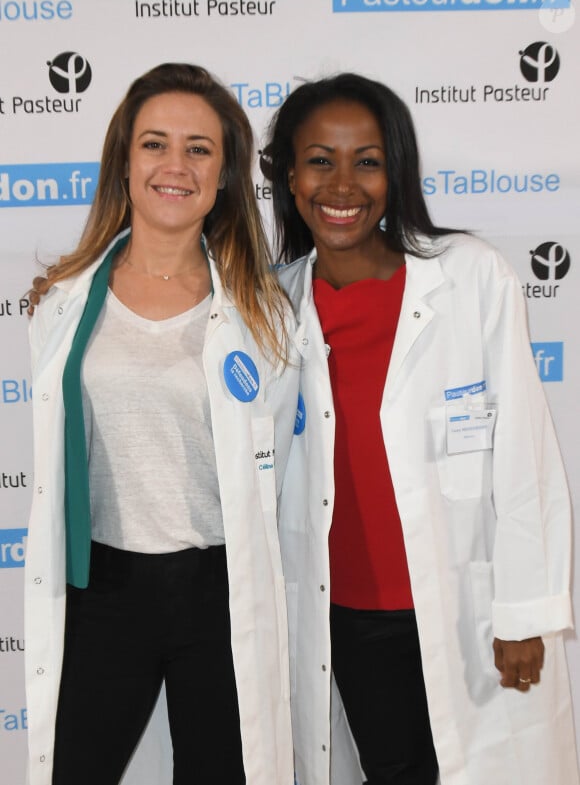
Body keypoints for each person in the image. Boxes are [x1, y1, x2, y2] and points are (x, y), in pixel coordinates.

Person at [265, 73, 579, 785]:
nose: (342, 184)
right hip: (343, 610)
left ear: (394, 171)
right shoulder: (273, 302)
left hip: (466, 600)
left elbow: (523, 453)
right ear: (289, 175)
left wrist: (524, 609)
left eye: (366, 161)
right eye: (320, 160)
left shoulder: (471, 277)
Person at [24, 62, 298, 785]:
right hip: (103, 587)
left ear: (225, 173)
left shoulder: (265, 311)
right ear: (124, 159)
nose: (175, 165)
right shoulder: (60, 301)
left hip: (219, 588)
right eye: (154, 143)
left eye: (199, 148)